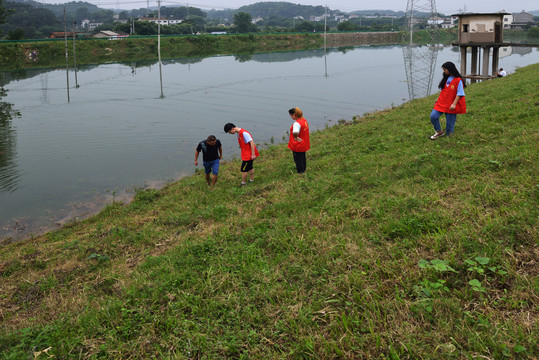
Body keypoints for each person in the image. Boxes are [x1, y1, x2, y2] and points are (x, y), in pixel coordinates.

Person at [430, 61, 467, 140]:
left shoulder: (458, 80)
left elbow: (460, 93)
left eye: (445, 69)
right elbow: (444, 90)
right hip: (442, 102)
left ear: (450, 69)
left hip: (451, 104)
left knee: (450, 124)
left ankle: (449, 139)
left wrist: (454, 104)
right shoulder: (446, 78)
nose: (444, 71)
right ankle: (439, 132)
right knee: (433, 116)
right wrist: (438, 98)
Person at [287, 107, 310, 173]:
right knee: (303, 158)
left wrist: (295, 137)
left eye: (290, 115)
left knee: (298, 160)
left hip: (297, 145)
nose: (291, 117)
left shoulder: (296, 124)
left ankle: (300, 172)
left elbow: (295, 132)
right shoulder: (304, 120)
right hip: (304, 144)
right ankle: (304, 170)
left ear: (294, 114)